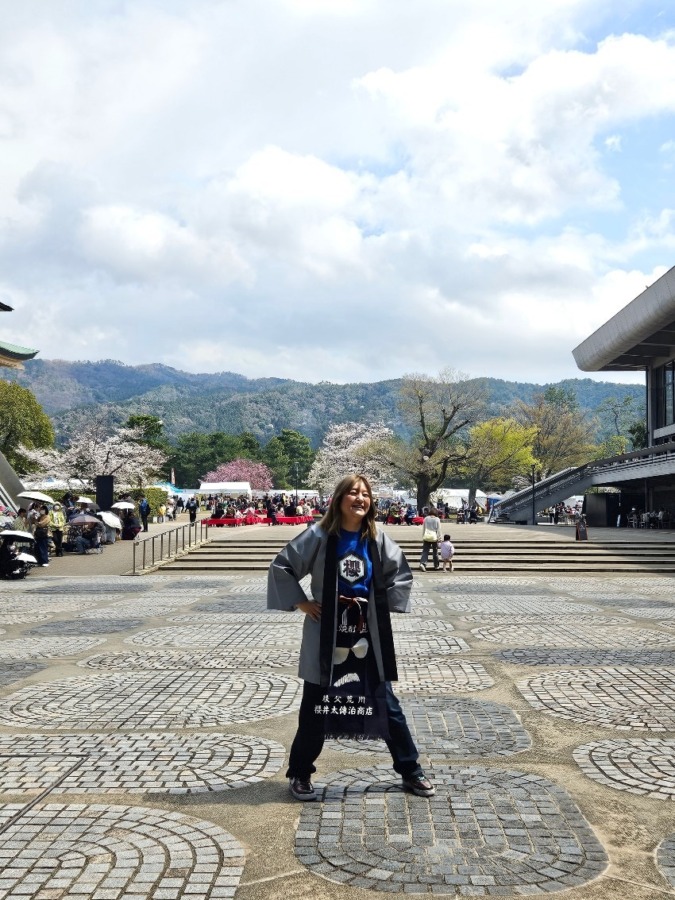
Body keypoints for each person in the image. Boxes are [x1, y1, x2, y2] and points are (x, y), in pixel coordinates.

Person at [268, 473, 435, 803]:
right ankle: (300, 772)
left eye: (365, 494)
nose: (360, 499)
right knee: (315, 707)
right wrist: (301, 602)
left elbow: (400, 573)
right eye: (353, 493)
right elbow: (282, 566)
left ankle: (411, 770)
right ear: (339, 499)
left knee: (387, 705)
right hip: (326, 634)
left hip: (366, 634)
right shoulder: (318, 535)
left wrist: (380, 606)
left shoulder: (377, 538)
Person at [419, 506, 442, 571]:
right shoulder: (437, 519)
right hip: (434, 537)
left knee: (425, 551)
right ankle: (436, 565)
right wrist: (439, 538)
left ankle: (423, 563)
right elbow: (439, 529)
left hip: (427, 536)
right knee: (435, 552)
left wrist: (423, 536)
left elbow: (424, 528)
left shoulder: (426, 518)